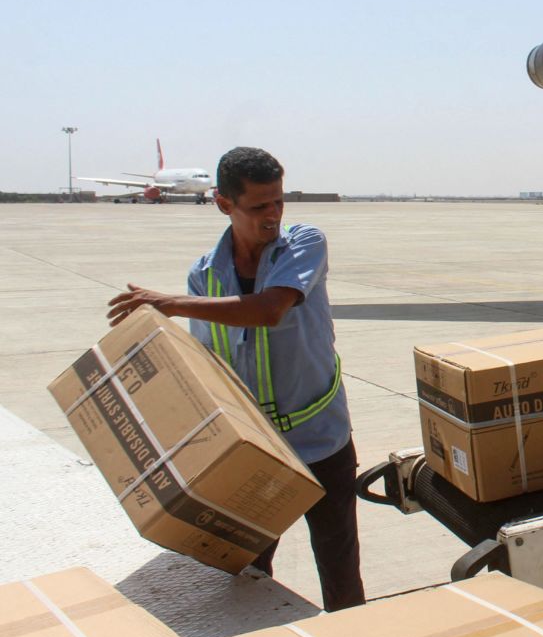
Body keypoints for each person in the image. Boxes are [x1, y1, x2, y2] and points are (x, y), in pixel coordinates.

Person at [107, 146, 365, 612]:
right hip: (254, 453)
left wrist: (166, 304)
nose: (273, 215)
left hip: (321, 441)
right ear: (224, 204)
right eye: (258, 206)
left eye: (279, 202)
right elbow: (206, 363)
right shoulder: (205, 275)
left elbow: (269, 310)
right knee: (246, 575)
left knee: (340, 572)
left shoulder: (304, 243)